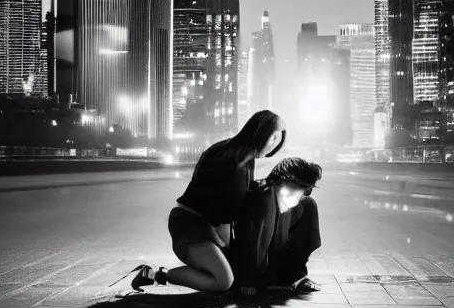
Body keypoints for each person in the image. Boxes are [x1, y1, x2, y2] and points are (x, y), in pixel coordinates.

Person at [131, 110, 286, 292]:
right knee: (224, 281)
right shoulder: (232, 159)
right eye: (274, 138)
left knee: (233, 273)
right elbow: (222, 210)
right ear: (262, 134)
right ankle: (154, 276)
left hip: (205, 225)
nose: (273, 146)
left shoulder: (241, 155)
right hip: (190, 227)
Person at [228, 157, 322, 293]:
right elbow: (250, 243)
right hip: (253, 270)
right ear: (282, 181)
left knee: (309, 204)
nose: (298, 194)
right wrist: (248, 281)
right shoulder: (260, 198)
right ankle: (254, 279)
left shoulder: (299, 202)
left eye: (302, 189)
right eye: (295, 188)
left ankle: (296, 276)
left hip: (279, 265)